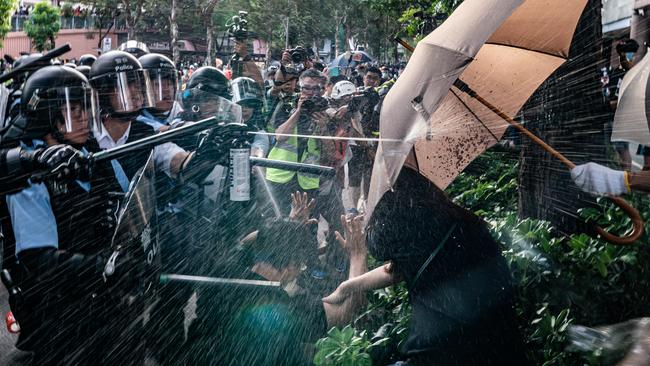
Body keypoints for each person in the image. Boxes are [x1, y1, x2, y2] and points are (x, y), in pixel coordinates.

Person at [0, 65, 138, 365]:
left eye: (85, 109)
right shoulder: (29, 175)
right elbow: (40, 260)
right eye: (73, 111)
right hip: (61, 315)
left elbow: (128, 204)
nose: (85, 118)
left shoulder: (92, 154)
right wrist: (104, 267)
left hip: (106, 304)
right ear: (47, 117)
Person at [323, 166, 527, 366]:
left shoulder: (409, 228)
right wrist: (346, 287)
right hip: (504, 347)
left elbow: (377, 247)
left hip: (446, 352)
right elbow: (395, 271)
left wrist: (366, 227)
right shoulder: (452, 221)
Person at [185, 192, 368, 365]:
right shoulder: (284, 306)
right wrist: (357, 255)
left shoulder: (223, 270)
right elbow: (349, 309)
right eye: (301, 265)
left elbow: (247, 241)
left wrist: (287, 227)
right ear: (291, 265)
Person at [137, 53, 179, 132]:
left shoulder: (177, 111)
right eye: (157, 85)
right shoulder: (134, 123)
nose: (167, 90)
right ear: (142, 89)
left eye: (169, 84)